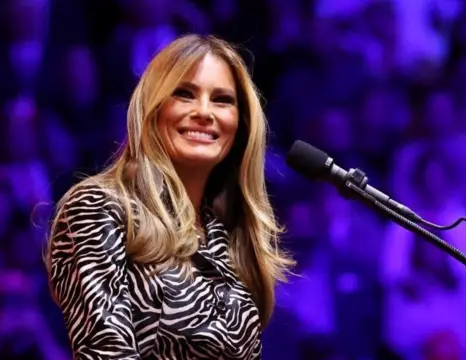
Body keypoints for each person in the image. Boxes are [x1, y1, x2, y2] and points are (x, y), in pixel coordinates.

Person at [45, 34, 294, 359]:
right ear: (153, 108)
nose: (205, 112)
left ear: (241, 124)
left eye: (222, 100)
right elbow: (105, 351)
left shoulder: (226, 232)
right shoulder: (99, 206)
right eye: (184, 94)